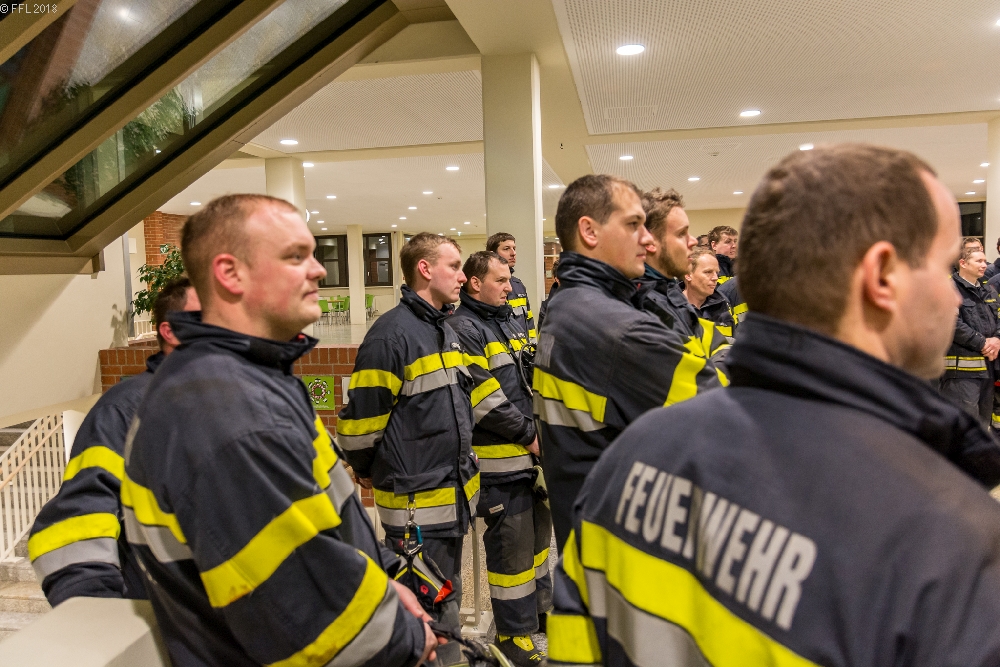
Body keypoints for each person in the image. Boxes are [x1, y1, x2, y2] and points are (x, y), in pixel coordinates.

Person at [547, 144, 1000, 666]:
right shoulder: (948, 543)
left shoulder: (628, 461)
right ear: (880, 277)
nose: (954, 297)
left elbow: (575, 648)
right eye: (942, 267)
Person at [124, 195, 439, 667]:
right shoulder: (224, 412)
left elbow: (321, 533)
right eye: (295, 256)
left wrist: (384, 587)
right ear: (230, 274)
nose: (318, 270)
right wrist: (409, 639)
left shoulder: (251, 380)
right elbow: (305, 616)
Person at [535, 175, 722, 552]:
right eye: (634, 225)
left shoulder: (568, 305)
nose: (648, 241)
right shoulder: (616, 329)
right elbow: (721, 413)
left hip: (590, 532)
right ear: (589, 231)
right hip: (620, 543)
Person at [339, 232, 493, 667]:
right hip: (416, 510)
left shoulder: (442, 329)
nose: (462, 277)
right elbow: (359, 430)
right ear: (425, 269)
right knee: (430, 617)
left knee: (445, 607)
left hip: (451, 500)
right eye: (454, 266)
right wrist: (372, 469)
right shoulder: (390, 337)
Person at [28, 277, 199, 607]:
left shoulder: (235, 404)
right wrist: (100, 615)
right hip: (167, 619)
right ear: (170, 332)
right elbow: (74, 525)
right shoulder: (127, 411)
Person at [446, 251, 550, 667]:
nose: (510, 288)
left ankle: (539, 614)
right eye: (501, 281)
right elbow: (484, 401)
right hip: (500, 465)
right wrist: (531, 436)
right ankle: (513, 636)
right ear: (475, 283)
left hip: (528, 459)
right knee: (512, 553)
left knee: (537, 546)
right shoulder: (464, 329)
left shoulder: (505, 320)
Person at [635, 188, 730, 362]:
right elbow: (691, 375)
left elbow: (716, 344)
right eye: (681, 234)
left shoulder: (670, 294)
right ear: (650, 242)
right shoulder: (638, 305)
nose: (693, 241)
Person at [940, 246, 1000, 428]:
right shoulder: (949, 289)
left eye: (984, 261)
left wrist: (997, 339)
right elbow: (952, 324)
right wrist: (983, 343)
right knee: (964, 427)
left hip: (988, 369)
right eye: (978, 261)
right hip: (961, 373)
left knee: (982, 426)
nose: (984, 265)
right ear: (963, 263)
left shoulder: (988, 290)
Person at [488, 232, 536, 342]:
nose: (513, 253)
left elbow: (529, 320)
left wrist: (533, 348)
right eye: (506, 249)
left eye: (514, 248)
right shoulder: (488, 286)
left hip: (523, 349)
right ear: (492, 254)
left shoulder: (518, 285)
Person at [683, 246, 736, 339]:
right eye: (708, 272)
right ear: (688, 275)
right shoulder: (669, 308)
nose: (715, 278)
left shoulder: (724, 305)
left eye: (716, 272)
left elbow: (735, 340)